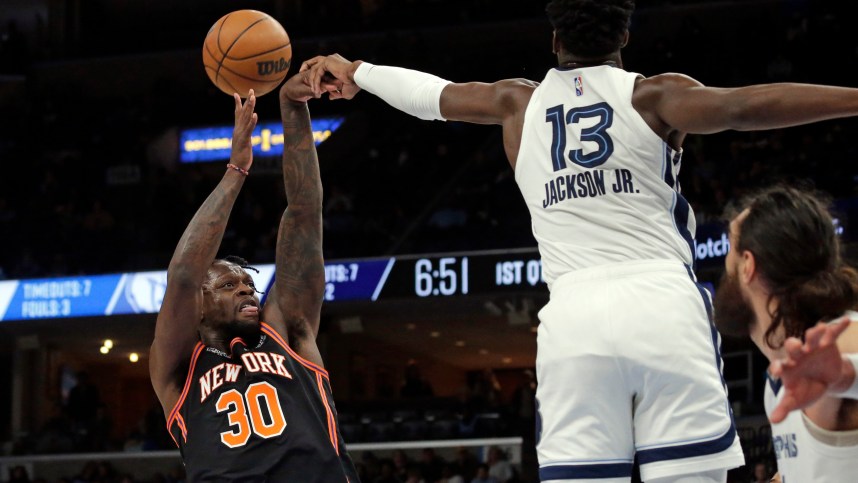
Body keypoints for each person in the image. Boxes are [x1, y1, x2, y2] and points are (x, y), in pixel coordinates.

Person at [299, 1, 858, 480]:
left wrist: (359, 70)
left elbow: (433, 95)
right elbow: (745, 106)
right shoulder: (654, 97)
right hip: (663, 303)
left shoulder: (516, 104)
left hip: (574, 318)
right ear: (624, 37)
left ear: (555, 39)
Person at [148, 72, 358, 481]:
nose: (245, 287)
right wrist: (236, 171)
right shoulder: (178, 367)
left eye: (248, 283)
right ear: (201, 308)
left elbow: (303, 215)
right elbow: (184, 276)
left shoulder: (287, 331)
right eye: (228, 285)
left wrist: (293, 109)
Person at [713, 185, 858, 482]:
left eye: (730, 252)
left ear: (747, 266)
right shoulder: (784, 371)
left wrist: (845, 375)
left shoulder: (840, 341)